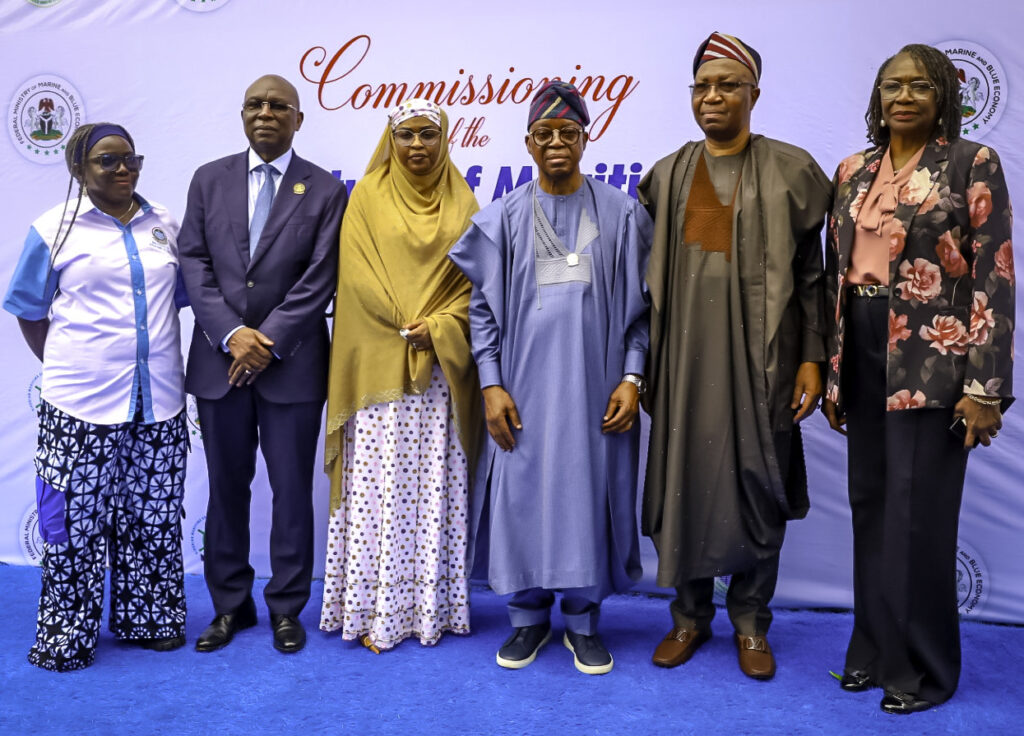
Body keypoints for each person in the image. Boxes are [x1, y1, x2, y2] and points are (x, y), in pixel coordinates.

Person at [822, 44, 1014, 714]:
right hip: (862, 345)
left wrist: (985, 387)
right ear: (877, 97)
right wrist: (835, 372)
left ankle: (924, 669)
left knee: (920, 515)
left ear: (944, 98)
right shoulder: (852, 171)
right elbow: (834, 275)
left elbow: (995, 275)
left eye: (920, 86)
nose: (903, 96)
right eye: (891, 85)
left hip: (932, 356)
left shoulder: (971, 163)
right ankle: (873, 649)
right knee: (871, 504)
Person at [639, 32, 832, 680]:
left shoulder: (791, 171)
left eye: (728, 85)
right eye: (703, 86)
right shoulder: (666, 175)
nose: (713, 96)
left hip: (764, 364)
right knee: (685, 484)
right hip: (685, 365)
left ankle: (751, 622)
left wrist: (812, 359)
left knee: (759, 485)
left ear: (755, 93)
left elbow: (813, 277)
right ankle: (689, 617)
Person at [449, 81, 652, 676]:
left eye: (569, 132)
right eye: (545, 133)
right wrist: (491, 383)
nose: (557, 142)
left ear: (587, 138)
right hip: (521, 392)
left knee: (587, 495)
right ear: (528, 144)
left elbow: (642, 313)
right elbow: (481, 313)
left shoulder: (622, 215)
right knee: (522, 493)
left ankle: (584, 623)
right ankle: (527, 618)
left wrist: (633, 377)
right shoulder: (503, 219)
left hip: (595, 391)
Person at [4, 122, 190, 671]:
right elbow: (29, 311)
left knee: (152, 516)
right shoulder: (53, 229)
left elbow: (180, 299)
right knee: (74, 525)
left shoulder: (164, 224)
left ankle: (150, 620)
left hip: (158, 401)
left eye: (130, 157)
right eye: (107, 160)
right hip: (78, 406)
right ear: (78, 169)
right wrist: (71, 365)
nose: (123, 168)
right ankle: (68, 636)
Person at [178, 74, 347, 654]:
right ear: (242, 114)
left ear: (299, 119)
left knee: (292, 490)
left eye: (279, 105)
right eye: (255, 104)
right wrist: (232, 335)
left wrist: (266, 341)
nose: (266, 113)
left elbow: (321, 275)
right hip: (219, 364)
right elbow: (194, 262)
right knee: (226, 488)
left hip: (291, 366)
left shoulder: (325, 189)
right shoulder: (209, 179)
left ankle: (286, 608)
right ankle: (230, 606)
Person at [320, 99, 481, 651]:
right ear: (391, 139)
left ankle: (429, 611)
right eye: (406, 134)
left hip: (438, 379)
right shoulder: (366, 196)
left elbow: (474, 286)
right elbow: (355, 277)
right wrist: (404, 323)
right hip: (379, 372)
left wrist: (437, 328)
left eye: (428, 134)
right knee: (378, 492)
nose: (417, 145)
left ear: (444, 139)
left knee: (431, 491)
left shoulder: (463, 201)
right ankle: (372, 611)